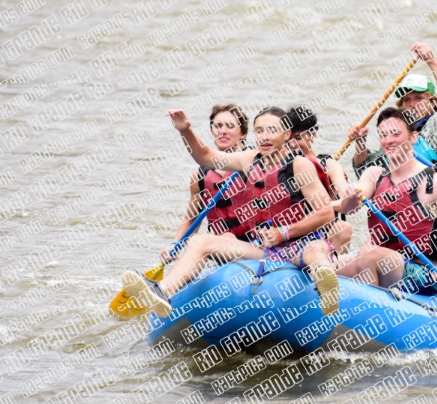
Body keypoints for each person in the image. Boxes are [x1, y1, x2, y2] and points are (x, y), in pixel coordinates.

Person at [122, 107, 341, 317]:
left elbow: (326, 214)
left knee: (317, 249)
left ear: (286, 134)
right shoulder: (249, 160)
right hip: (265, 250)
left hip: (300, 246)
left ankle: (326, 288)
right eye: (259, 131)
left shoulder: (299, 165)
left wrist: (283, 233)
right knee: (199, 241)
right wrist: (185, 130)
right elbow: (205, 156)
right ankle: (163, 291)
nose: (264, 136)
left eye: (272, 130)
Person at [335, 107, 437, 293]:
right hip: (378, 260)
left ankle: (366, 309)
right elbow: (348, 208)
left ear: (413, 137)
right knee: (326, 261)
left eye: (395, 134)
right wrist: (351, 195)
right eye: (383, 135)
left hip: (422, 270)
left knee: (368, 254)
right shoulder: (373, 175)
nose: (388, 141)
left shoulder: (434, 182)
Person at [348, 41, 437, 179]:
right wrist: (360, 142)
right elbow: (363, 169)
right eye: (407, 100)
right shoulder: (394, 136)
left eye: (419, 98)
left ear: (433, 103)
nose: (412, 104)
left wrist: (432, 62)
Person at [164, 104, 250, 262]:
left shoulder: (256, 163)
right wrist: (175, 244)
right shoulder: (201, 176)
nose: (222, 131)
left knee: (227, 236)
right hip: (222, 247)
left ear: (243, 133)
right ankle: (166, 285)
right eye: (218, 126)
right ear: (212, 132)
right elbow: (191, 220)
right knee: (197, 242)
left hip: (258, 244)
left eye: (230, 126)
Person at [284, 105, 354, 254]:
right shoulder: (280, 168)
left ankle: (334, 269)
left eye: (298, 138)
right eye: (288, 139)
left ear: (313, 134)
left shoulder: (329, 165)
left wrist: (322, 209)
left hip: (323, 237)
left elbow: (346, 201)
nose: (292, 145)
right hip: (288, 236)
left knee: (343, 228)